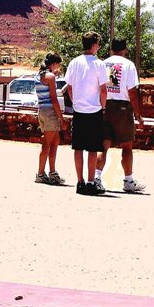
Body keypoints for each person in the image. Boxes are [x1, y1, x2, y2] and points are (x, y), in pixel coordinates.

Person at [95, 38, 145, 193]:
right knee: (127, 145)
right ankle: (128, 180)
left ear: (111, 49)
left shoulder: (103, 63)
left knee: (104, 144)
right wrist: (138, 114)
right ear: (125, 49)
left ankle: (96, 178)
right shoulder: (128, 65)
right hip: (122, 107)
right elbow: (132, 92)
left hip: (104, 105)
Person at [64, 31, 108, 196]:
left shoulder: (74, 63)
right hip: (94, 110)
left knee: (78, 148)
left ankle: (80, 182)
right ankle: (91, 182)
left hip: (79, 110)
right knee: (92, 148)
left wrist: (76, 101)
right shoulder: (99, 64)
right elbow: (103, 89)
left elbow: (69, 87)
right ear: (94, 44)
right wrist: (102, 106)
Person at [34, 52, 67, 185]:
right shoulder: (50, 76)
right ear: (53, 64)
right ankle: (41, 173)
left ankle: (52, 172)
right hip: (50, 112)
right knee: (47, 144)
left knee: (54, 142)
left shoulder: (39, 75)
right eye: (58, 65)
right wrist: (61, 117)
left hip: (42, 110)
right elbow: (54, 98)